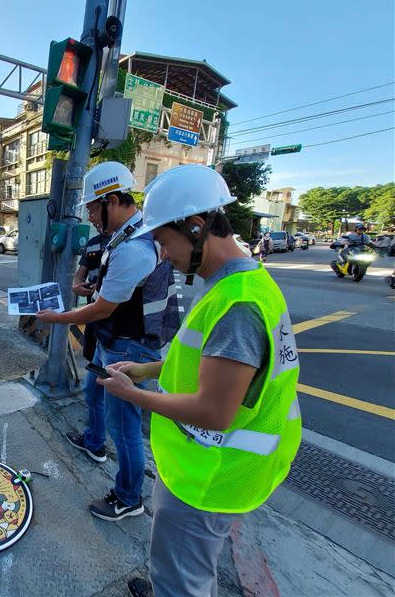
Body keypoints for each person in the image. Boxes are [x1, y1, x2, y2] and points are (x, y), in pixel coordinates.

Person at [96, 164, 302, 597]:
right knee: (176, 566)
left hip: (209, 477)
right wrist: (145, 370)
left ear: (195, 226)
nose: (163, 254)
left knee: (183, 583)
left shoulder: (237, 304)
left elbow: (215, 411)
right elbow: (202, 366)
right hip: (206, 467)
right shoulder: (239, 283)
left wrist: (134, 395)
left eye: (164, 241)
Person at [36, 161, 179, 521]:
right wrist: (92, 285)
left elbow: (101, 310)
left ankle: (129, 497)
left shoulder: (134, 245)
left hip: (129, 346)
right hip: (117, 339)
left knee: (125, 426)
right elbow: (118, 289)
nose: (91, 218)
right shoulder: (131, 233)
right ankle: (94, 442)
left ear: (112, 200)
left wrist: (57, 318)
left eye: (93, 209)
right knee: (93, 392)